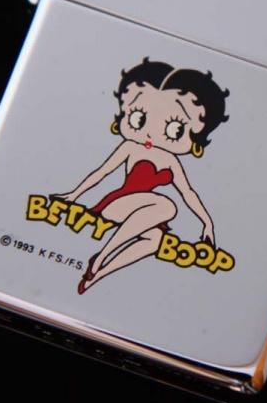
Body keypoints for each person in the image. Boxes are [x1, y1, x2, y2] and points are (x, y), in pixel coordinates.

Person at [51, 57, 230, 293]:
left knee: (155, 240)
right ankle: (101, 256)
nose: (151, 133)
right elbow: (102, 172)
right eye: (138, 118)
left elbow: (188, 192)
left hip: (144, 213)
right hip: (117, 204)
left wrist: (207, 222)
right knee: (168, 206)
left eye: (175, 128)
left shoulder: (171, 161)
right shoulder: (131, 147)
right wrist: (73, 195)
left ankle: (96, 275)